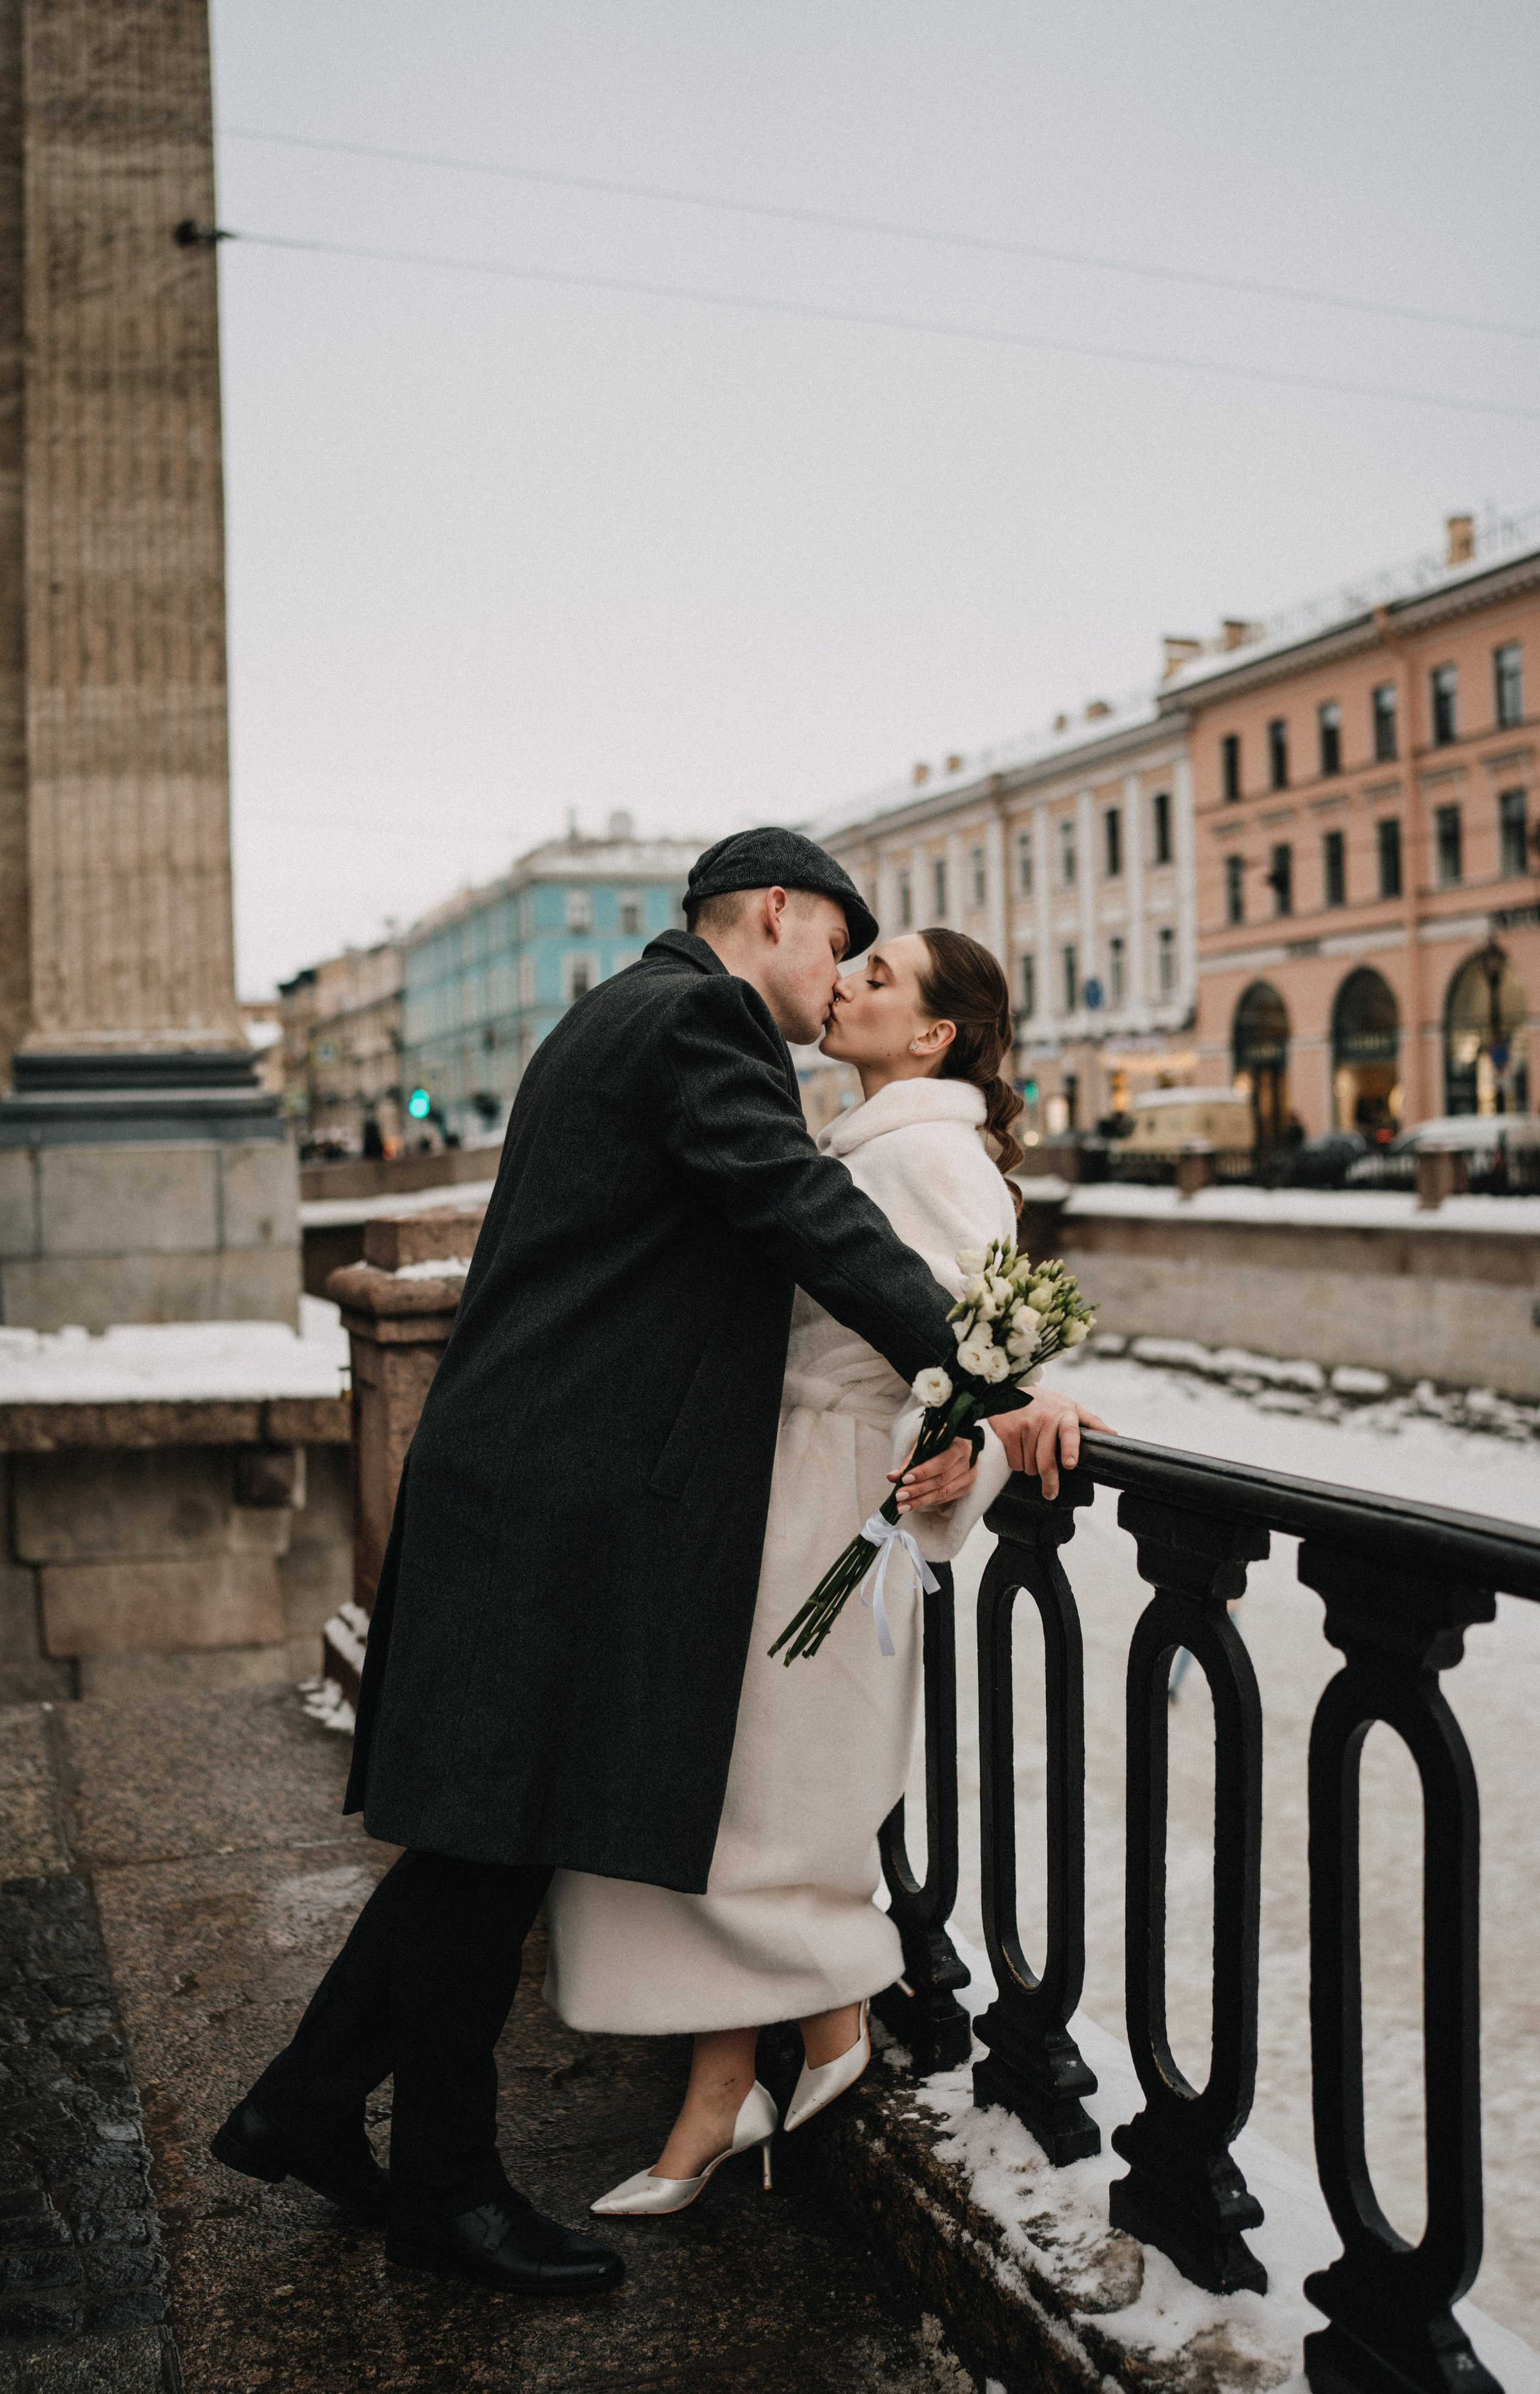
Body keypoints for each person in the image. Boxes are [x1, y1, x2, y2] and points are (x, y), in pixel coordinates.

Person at [209, 830, 1104, 2297]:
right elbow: (803, 1212)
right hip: (551, 1490)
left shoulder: (621, 1010)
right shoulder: (700, 1019)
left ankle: (307, 2105)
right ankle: (443, 2182)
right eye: (836, 948)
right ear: (775, 914)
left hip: (531, 1471)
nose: (832, 984)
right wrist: (989, 1379)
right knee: (486, 1849)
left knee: (483, 1837)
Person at [546, 925, 1074, 2211]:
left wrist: (977, 1434)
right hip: (774, 1480)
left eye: (876, 976)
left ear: (935, 1036)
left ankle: (810, 2027)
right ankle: (738, 2079)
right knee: (725, 1788)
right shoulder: (864, 1142)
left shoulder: (927, 1150)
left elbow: (987, 1339)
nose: (843, 982)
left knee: (755, 1798)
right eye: (851, 962)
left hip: (832, 1501)